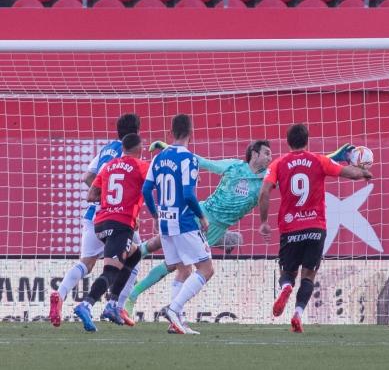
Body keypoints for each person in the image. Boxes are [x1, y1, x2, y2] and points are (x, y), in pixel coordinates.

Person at [124, 139, 273, 318]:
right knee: (164, 249)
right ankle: (130, 275)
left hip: (216, 229)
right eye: (266, 153)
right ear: (255, 154)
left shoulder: (266, 179)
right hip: (200, 213)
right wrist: (168, 148)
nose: (270, 158)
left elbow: (281, 182)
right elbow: (201, 161)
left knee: (176, 264)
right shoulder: (234, 166)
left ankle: (137, 294)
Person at [258, 124, 372, 333]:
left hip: (290, 227)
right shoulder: (319, 160)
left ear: (288, 142)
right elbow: (351, 174)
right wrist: (364, 172)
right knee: (308, 275)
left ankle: (286, 287)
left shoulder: (278, 164)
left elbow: (264, 192)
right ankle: (298, 314)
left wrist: (264, 221)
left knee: (287, 273)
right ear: (307, 140)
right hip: (315, 227)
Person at [49, 113, 141, 328]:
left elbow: (87, 177)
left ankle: (60, 295)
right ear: (137, 132)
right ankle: (116, 306)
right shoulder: (129, 153)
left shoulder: (106, 149)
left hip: (94, 216)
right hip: (118, 216)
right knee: (135, 256)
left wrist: (102, 194)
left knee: (86, 263)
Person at [143, 114, 212, 335]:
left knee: (183, 269)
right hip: (183, 222)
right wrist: (201, 216)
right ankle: (174, 309)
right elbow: (189, 194)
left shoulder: (158, 158)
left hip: (165, 222)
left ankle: (176, 321)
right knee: (206, 269)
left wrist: (155, 216)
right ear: (191, 132)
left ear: (170, 133)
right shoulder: (189, 159)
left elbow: (146, 190)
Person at [72, 134, 149, 332]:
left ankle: (113, 304)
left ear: (122, 148)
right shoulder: (141, 166)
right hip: (121, 224)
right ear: (140, 148)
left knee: (135, 254)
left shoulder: (108, 166)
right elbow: (151, 185)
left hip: (100, 223)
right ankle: (86, 305)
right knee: (111, 271)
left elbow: (91, 196)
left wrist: (112, 202)